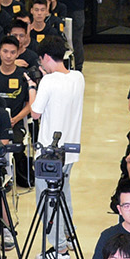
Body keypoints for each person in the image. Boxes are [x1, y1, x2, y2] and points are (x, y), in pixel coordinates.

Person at [30, 42, 85, 197]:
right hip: (69, 150)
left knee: (46, 199)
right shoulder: (78, 77)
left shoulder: (48, 81)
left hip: (49, 152)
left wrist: (32, 88)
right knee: (63, 194)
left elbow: (35, 113)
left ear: (46, 57)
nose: (41, 64)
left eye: (41, 60)